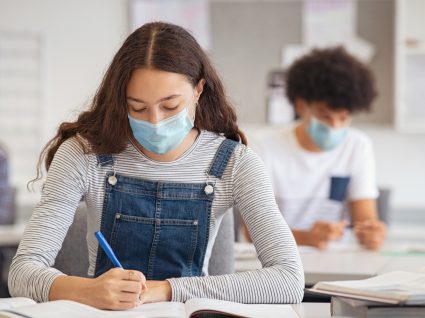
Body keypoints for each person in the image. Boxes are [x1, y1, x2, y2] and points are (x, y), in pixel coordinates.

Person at [8, 22, 304, 310]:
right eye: (137, 108)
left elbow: (289, 280)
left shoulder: (235, 163)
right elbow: (22, 273)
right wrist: (86, 290)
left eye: (170, 106)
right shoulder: (83, 154)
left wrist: (166, 289)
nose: (155, 121)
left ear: (199, 90)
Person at [250, 47, 386, 251]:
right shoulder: (262, 146)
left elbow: (365, 220)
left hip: (336, 264)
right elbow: (251, 231)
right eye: (324, 116)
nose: (334, 127)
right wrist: (306, 237)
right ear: (300, 106)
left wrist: (372, 234)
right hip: (276, 263)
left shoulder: (357, 146)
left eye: (343, 118)